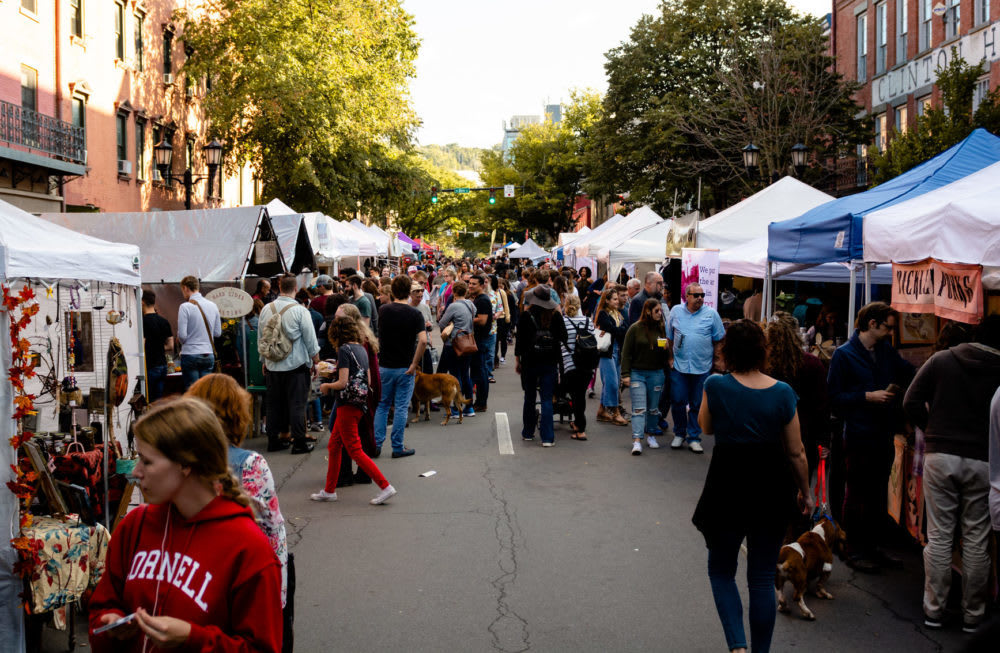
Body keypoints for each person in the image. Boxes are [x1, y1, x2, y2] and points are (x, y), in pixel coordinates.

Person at [88, 398, 282, 652]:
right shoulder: (134, 526)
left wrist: (193, 638)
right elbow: (101, 607)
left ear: (186, 464)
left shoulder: (249, 549)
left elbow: (262, 647)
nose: (136, 471)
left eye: (147, 461)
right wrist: (109, 623)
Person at [693, 320, 813, 653]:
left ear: (726, 350)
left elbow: (705, 428)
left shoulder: (715, 385)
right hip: (771, 488)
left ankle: (738, 646)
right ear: (764, 350)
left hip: (727, 485)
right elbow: (796, 451)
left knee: (721, 571)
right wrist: (807, 492)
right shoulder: (783, 392)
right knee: (760, 577)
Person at [902, 315, 1000, 632]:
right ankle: (973, 614)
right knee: (976, 537)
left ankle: (935, 610)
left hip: (940, 456)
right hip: (984, 460)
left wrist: (930, 430)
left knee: (940, 536)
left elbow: (910, 400)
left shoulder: (942, 359)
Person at [185, 374, 293, 647]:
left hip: (195, 581)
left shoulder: (181, 460)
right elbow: (272, 531)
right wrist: (278, 596)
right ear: (237, 414)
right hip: (241, 579)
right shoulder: (251, 464)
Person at [827, 301, 914, 573]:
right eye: (887, 326)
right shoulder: (843, 355)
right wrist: (867, 396)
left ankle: (873, 547)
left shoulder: (886, 351)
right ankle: (851, 549)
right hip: (858, 434)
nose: (891, 332)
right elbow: (833, 398)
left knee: (878, 493)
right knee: (856, 493)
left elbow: (909, 372)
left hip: (883, 432)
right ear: (872, 324)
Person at [312, 317, 396, 505]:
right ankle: (329, 490)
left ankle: (385, 486)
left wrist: (326, 386)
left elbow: (342, 383)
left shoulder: (343, 350)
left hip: (346, 404)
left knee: (354, 449)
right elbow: (368, 379)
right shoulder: (361, 348)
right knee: (334, 446)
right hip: (359, 402)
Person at [765, 312, 831, 476]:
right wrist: (824, 440)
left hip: (766, 435)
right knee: (799, 488)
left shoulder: (762, 363)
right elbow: (821, 406)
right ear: (796, 334)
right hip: (803, 435)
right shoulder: (812, 364)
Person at [261, 275, 320, 455]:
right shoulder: (300, 311)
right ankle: (299, 442)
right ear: (295, 288)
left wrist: (263, 360)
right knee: (297, 404)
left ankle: (273, 440)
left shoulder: (266, 309)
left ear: (279, 286)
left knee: (273, 405)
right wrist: (316, 360)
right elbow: (310, 339)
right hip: (296, 365)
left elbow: (262, 338)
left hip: (273, 364)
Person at [666, 283, 725, 454]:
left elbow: (719, 340)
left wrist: (718, 362)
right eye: (696, 295)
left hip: (702, 366)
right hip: (679, 365)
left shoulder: (711, 314)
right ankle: (679, 433)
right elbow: (669, 337)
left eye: (702, 295)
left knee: (697, 403)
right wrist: (670, 358)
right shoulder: (676, 311)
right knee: (677, 400)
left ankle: (693, 437)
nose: (700, 298)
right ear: (687, 296)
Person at [374, 275, 427, 458]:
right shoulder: (415, 314)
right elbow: (423, 341)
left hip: (385, 365)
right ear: (409, 292)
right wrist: (414, 363)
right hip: (405, 366)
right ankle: (397, 447)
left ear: (393, 290)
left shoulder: (383, 310)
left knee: (382, 405)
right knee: (401, 407)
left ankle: (376, 443)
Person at [330, 302, 382, 486]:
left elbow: (354, 373)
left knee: (347, 438)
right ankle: (360, 474)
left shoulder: (354, 343)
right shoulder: (363, 338)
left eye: (339, 317)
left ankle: (348, 475)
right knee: (358, 435)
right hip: (364, 392)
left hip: (353, 396)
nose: (335, 320)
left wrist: (331, 382)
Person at [515, 286, 567, 446]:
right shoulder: (556, 316)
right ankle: (547, 437)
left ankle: (528, 432)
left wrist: (518, 361)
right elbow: (563, 337)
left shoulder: (526, 316)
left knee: (529, 398)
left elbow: (520, 342)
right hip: (550, 361)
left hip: (530, 361)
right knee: (546, 399)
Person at [621, 299, 669, 455]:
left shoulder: (662, 328)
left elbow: (662, 354)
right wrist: (625, 374)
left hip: (656, 373)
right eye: (657, 311)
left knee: (654, 409)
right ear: (648, 311)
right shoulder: (635, 329)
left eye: (660, 310)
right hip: (638, 373)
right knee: (639, 408)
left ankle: (651, 435)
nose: (660, 313)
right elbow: (626, 353)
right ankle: (636, 440)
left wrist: (667, 349)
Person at [438, 281, 476, 418]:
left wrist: (449, 323)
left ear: (454, 292)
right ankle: (469, 407)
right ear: (466, 292)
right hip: (467, 343)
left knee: (455, 375)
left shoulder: (453, 306)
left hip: (453, 344)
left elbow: (442, 323)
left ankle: (455, 406)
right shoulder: (471, 305)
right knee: (466, 374)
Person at [176, 276, 222, 389]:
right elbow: (217, 333)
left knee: (192, 391)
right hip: (208, 353)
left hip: (190, 353)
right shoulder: (213, 305)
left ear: (185, 288)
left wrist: (183, 341)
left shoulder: (185, 307)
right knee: (206, 391)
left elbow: (182, 335)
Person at [560, 295, 595, 440]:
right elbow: (593, 341)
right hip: (587, 365)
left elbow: (559, 341)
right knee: (580, 395)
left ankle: (581, 429)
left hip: (570, 364)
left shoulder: (563, 321)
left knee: (576, 396)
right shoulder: (588, 321)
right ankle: (577, 422)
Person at [594, 287, 628, 426]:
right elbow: (614, 330)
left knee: (612, 382)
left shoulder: (618, 313)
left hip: (617, 350)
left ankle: (602, 411)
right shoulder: (603, 314)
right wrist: (620, 330)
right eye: (614, 299)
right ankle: (615, 412)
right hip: (607, 351)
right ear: (607, 301)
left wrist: (619, 330)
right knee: (613, 383)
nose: (617, 301)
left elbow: (623, 329)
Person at [468, 274, 495, 412]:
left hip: (481, 340)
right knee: (478, 371)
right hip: (478, 340)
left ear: (482, 285)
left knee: (481, 372)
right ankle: (478, 401)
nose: (471, 285)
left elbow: (483, 320)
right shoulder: (478, 299)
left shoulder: (483, 300)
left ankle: (481, 403)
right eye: (470, 283)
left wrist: (466, 318)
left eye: (474, 284)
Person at [141, 290, 173, 402]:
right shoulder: (164, 321)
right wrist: (158, 346)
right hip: (162, 366)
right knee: (158, 400)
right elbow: (170, 346)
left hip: (150, 366)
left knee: (148, 400)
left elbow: (142, 345)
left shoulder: (142, 323)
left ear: (142, 302)